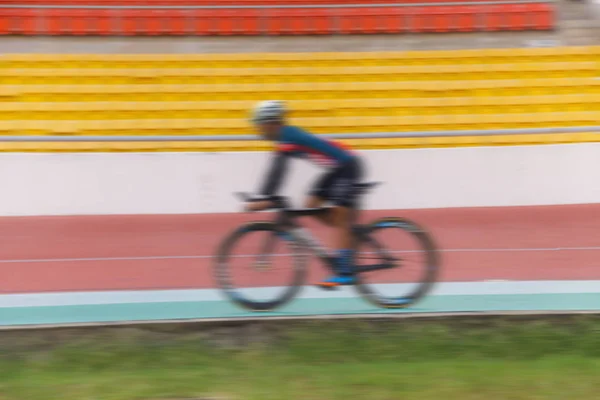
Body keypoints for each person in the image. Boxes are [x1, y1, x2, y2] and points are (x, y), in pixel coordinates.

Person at [244, 100, 365, 289]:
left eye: (258, 125)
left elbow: (278, 170)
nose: (257, 129)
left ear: (270, 122)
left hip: (348, 165)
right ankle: (348, 238)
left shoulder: (287, 135)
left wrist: (264, 198)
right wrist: (262, 197)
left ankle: (345, 271)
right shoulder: (284, 137)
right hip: (336, 168)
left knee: (340, 216)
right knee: (311, 203)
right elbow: (276, 169)